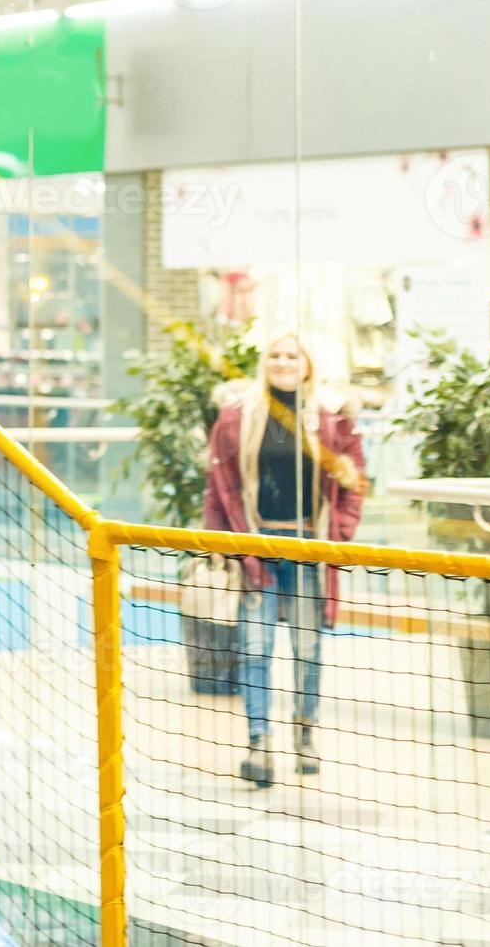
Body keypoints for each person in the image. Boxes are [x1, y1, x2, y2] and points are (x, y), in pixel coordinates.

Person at [202, 331, 367, 787]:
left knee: (308, 651)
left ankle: (305, 732)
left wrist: (339, 536)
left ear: (307, 363)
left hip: (310, 551)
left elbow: (354, 482)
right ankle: (259, 741)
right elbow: (218, 489)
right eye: (274, 355)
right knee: (254, 650)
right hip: (258, 549)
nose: (282, 361)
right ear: (264, 363)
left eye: (291, 355)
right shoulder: (236, 418)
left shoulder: (333, 421)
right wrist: (219, 543)